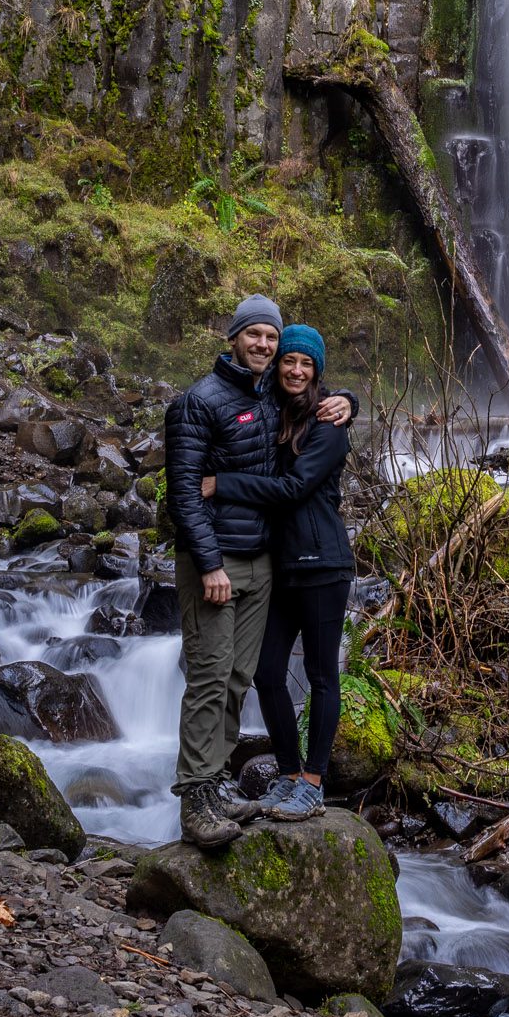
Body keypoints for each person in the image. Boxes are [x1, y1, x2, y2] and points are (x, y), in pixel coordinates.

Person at [164, 296, 352, 849]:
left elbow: (310, 403)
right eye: (257, 337)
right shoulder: (199, 402)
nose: (269, 351)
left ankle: (231, 781)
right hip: (220, 561)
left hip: (276, 563)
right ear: (234, 337)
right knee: (212, 677)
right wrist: (209, 563)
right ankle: (197, 795)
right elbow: (182, 492)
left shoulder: (272, 396)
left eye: (274, 340)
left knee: (241, 677)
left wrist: (347, 400)